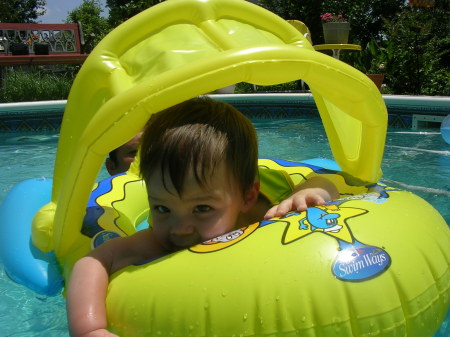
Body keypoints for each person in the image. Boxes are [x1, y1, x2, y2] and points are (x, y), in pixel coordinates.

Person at [67, 96, 339, 337]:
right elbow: (93, 262)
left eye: (202, 209)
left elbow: (328, 183)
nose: (180, 229)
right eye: (162, 208)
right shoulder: (165, 235)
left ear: (246, 197)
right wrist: (90, 328)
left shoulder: (271, 211)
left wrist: (313, 191)